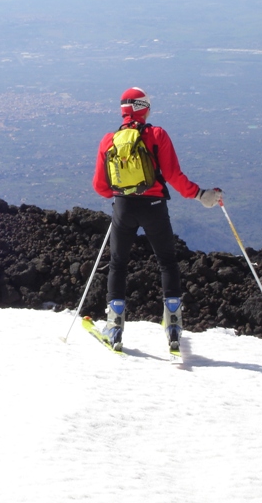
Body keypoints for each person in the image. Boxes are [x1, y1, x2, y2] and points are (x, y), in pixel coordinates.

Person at [92, 87, 222, 351]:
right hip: (154, 207)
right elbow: (174, 176)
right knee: (167, 262)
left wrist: (119, 193)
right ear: (145, 108)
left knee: (118, 264)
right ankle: (173, 325)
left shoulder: (109, 141)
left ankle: (114, 327)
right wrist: (201, 195)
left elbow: (100, 187)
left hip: (124, 208)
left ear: (123, 110)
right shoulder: (156, 135)